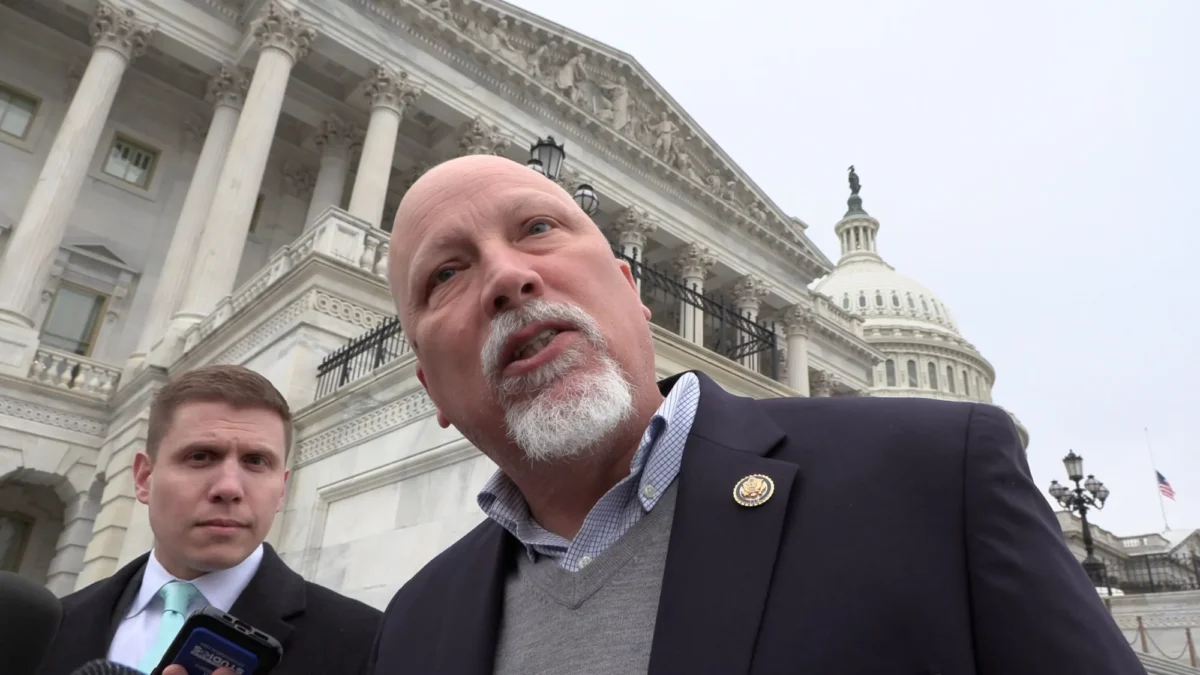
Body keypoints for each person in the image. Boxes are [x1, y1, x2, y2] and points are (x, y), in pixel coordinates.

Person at [365, 153, 1145, 675]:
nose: (508, 276)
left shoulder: (936, 477)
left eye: (537, 227)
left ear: (634, 289)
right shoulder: (409, 630)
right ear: (431, 388)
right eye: (446, 273)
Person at [37, 364, 381, 675]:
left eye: (256, 462)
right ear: (144, 478)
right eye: (200, 457)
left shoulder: (368, 643)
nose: (229, 488)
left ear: (281, 491)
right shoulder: (48, 627)